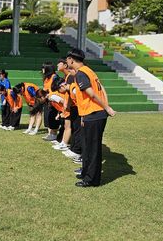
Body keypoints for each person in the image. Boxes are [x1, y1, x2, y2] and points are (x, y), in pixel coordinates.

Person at [66, 48, 116, 187]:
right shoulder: (89, 70)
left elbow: (92, 94)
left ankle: (92, 179)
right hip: (90, 114)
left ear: (71, 60)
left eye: (67, 59)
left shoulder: (81, 73)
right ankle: (85, 172)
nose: (66, 62)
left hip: (95, 114)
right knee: (87, 146)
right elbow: (102, 89)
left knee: (92, 148)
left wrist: (107, 107)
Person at [42, 62, 61, 141]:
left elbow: (56, 88)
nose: (42, 70)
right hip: (47, 99)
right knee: (47, 116)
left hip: (53, 100)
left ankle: (54, 133)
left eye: (43, 68)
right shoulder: (46, 78)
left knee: (53, 116)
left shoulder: (54, 77)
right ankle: (50, 133)